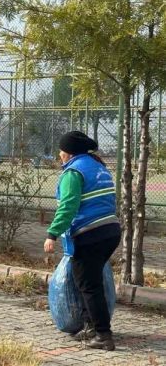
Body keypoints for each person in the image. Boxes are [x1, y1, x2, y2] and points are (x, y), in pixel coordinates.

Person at [44, 131, 120, 351]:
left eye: (61, 150)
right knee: (88, 280)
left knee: (89, 285)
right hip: (110, 231)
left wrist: (52, 234)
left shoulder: (74, 172)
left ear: (68, 153)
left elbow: (68, 207)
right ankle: (91, 327)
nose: (59, 154)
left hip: (90, 234)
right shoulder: (98, 167)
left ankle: (103, 335)